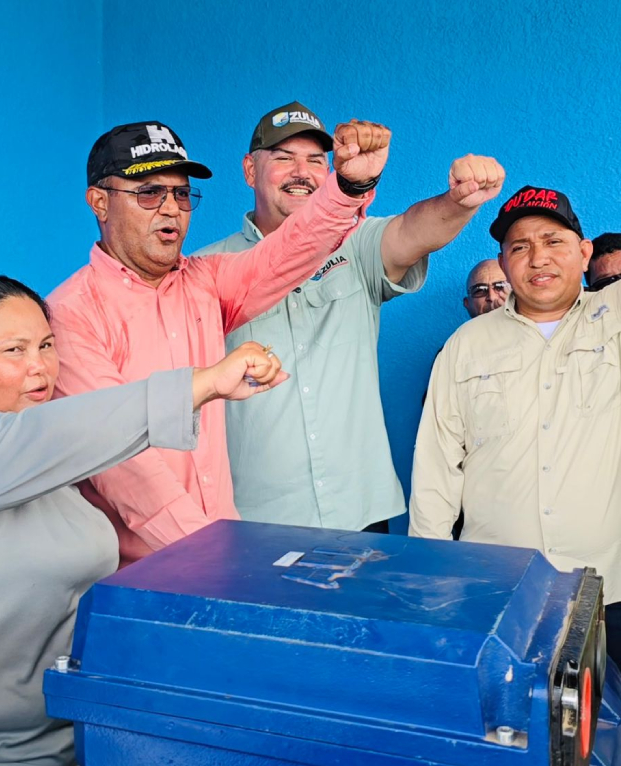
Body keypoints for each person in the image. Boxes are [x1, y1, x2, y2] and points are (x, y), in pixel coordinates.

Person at [0, 274, 286, 766]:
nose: (40, 367)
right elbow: (46, 437)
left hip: (68, 750)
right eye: (14, 350)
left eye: (46, 345)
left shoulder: (44, 458)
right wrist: (201, 384)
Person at [49, 116, 390, 562]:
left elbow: (288, 252)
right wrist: (210, 554)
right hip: (144, 572)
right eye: (149, 192)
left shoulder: (205, 281)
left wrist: (347, 187)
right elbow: (124, 468)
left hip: (224, 553)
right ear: (100, 202)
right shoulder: (69, 314)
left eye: (181, 194)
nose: (170, 209)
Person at [195, 100, 505, 534]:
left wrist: (459, 203)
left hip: (359, 508)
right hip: (255, 517)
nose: (301, 172)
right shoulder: (207, 270)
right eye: (283, 158)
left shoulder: (356, 244)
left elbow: (415, 231)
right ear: (250, 170)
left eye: (315, 160)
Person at [409, 185, 621, 664]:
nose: (538, 258)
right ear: (503, 263)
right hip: (495, 589)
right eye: (520, 247)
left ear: (584, 253)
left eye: (554, 241)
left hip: (609, 588)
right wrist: (432, 577)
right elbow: (437, 467)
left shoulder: (614, 320)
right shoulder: (466, 345)